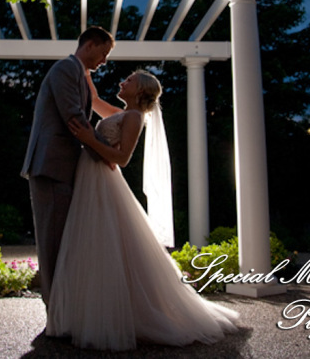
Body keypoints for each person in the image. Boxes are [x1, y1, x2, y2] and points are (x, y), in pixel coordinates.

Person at [46, 70, 242, 351]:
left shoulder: (135, 118)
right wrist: (84, 73)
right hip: (91, 178)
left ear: (139, 92)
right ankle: (86, 313)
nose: (122, 82)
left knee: (105, 243)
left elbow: (123, 159)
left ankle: (110, 318)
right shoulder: (120, 112)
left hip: (102, 181)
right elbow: (96, 100)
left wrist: (88, 139)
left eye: (129, 81)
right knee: (91, 243)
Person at [20, 26, 115, 309]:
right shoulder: (65, 69)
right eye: (104, 52)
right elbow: (74, 119)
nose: (104, 60)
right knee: (51, 241)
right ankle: (55, 309)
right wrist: (105, 154)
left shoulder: (78, 74)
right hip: (51, 167)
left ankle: (62, 307)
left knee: (62, 239)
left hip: (62, 167)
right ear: (90, 44)